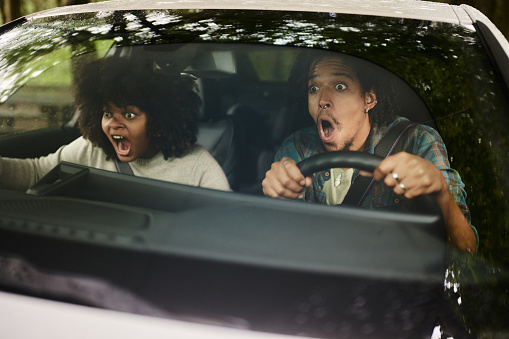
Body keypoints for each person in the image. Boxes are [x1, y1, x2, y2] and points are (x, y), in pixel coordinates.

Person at [262, 51, 477, 254]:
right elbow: (280, 246)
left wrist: (440, 191)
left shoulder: (417, 141)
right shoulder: (299, 146)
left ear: (369, 99)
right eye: (313, 88)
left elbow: (466, 249)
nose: (323, 100)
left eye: (339, 86)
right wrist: (278, 194)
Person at [0, 55, 230, 192]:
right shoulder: (92, 150)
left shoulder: (198, 167)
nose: (114, 124)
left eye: (129, 115)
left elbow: (224, 225)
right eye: (108, 113)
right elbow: (35, 173)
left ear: (160, 119)